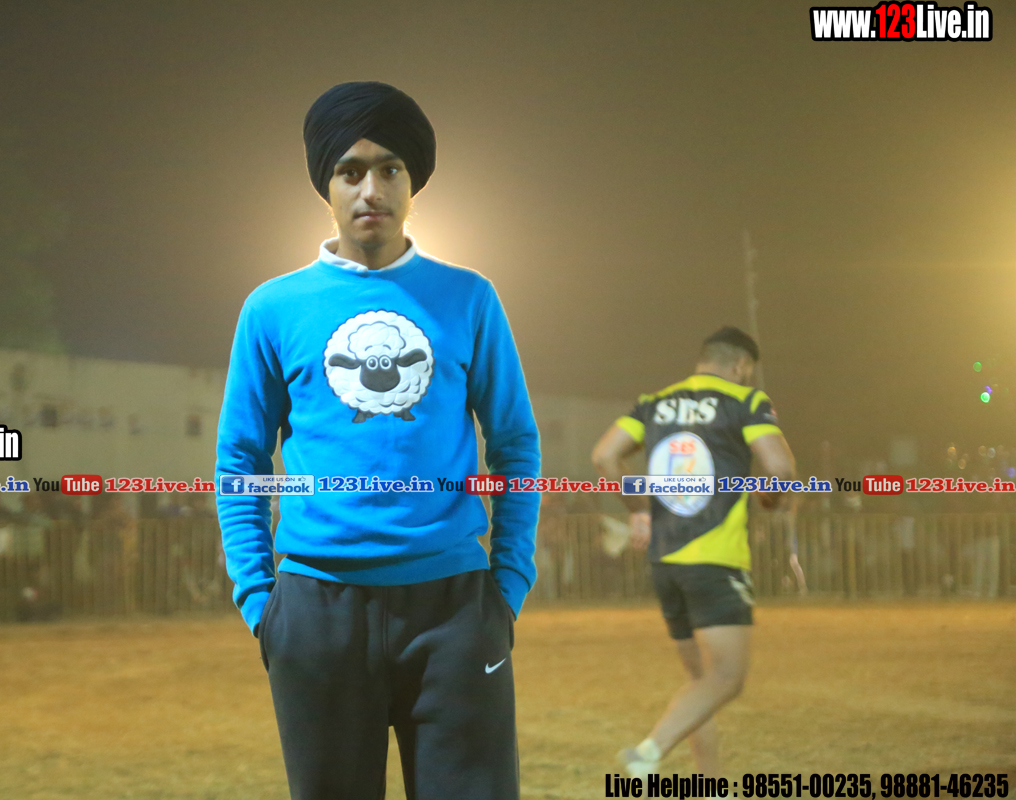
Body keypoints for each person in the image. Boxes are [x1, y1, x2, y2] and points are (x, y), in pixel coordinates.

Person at [216, 81, 540, 799]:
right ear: (325, 185)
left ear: (412, 181)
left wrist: (508, 586)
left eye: (390, 168)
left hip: (454, 611)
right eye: (350, 170)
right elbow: (241, 458)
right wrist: (261, 603)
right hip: (316, 613)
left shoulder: (469, 298)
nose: (371, 189)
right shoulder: (272, 308)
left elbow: (515, 443)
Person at [591, 326, 795, 778]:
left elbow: (604, 455)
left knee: (700, 682)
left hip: (665, 560)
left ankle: (711, 783)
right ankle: (650, 751)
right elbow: (780, 467)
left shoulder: (654, 401)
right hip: (714, 558)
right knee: (727, 678)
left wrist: (639, 511)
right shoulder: (746, 401)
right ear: (741, 365)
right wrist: (771, 498)